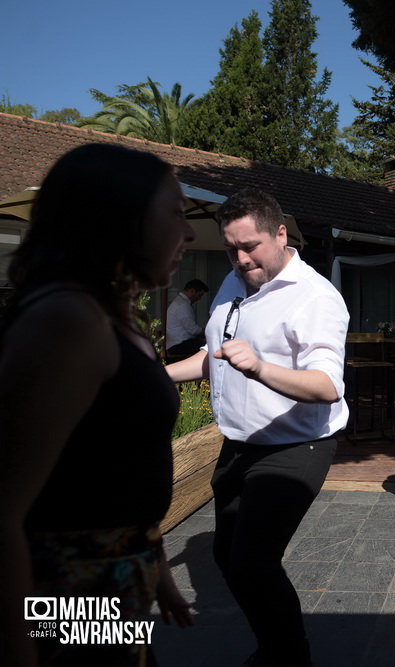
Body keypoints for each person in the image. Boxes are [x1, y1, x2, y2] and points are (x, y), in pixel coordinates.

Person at [0, 143, 194, 666]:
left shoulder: (116, 318)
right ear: (122, 218)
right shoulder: (66, 320)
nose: (191, 233)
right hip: (69, 600)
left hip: (114, 589)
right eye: (176, 214)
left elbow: (115, 464)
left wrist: (158, 572)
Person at [166, 187, 349, 667]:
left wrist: (261, 368)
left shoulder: (315, 298)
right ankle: (275, 644)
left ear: (280, 234)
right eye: (231, 247)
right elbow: (214, 356)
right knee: (227, 558)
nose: (241, 259)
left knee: (252, 563)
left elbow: (328, 385)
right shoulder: (231, 283)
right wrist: (155, 371)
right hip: (241, 443)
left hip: (298, 443)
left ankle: (289, 656)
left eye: (250, 246)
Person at [165, 278, 209, 356]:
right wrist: (209, 332)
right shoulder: (182, 305)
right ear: (192, 291)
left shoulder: (179, 302)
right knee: (209, 347)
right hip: (179, 345)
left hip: (176, 344)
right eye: (199, 295)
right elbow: (193, 330)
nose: (199, 299)